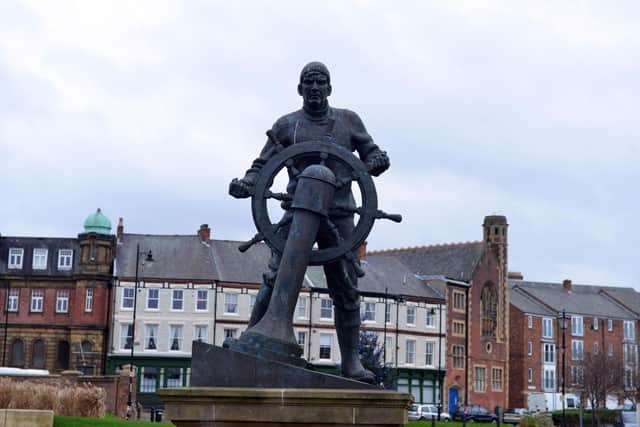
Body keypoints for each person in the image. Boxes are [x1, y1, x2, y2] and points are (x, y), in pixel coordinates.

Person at [229, 62, 389, 382]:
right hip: (297, 209)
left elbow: (372, 154)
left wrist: (376, 161)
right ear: (299, 89)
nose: (315, 87)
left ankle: (351, 363)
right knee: (275, 277)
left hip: (340, 214)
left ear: (330, 89)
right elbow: (262, 165)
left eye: (321, 82)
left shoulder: (348, 121)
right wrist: (247, 184)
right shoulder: (287, 126)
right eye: (308, 82)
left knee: (344, 288)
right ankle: (252, 339)